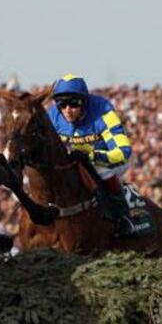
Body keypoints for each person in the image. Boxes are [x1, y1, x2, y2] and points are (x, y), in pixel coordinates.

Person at [47, 73, 137, 236]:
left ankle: (122, 217)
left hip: (109, 158)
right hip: (76, 160)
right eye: (62, 104)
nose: (67, 110)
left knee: (101, 171)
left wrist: (94, 155)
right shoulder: (53, 116)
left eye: (73, 104)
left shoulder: (103, 112)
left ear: (84, 102)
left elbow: (123, 151)